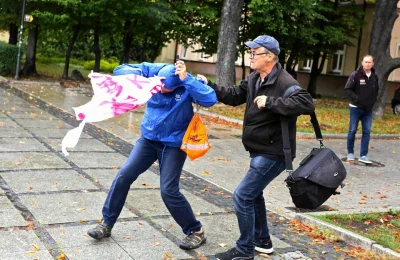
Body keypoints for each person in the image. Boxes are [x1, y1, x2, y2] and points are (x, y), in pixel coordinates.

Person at [197, 35, 315, 260]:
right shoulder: (254, 79)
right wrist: (208, 85)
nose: (250, 56)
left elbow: (306, 103)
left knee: (242, 196)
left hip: (275, 152)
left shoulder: (284, 82)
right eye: (250, 52)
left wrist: (271, 102)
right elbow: (233, 96)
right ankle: (263, 242)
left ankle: (244, 250)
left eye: (255, 52)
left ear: (270, 56)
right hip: (259, 149)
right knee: (254, 195)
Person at [87, 60, 217, 250]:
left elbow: (210, 99)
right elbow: (119, 70)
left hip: (173, 145)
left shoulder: (185, 84)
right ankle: (106, 223)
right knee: (124, 176)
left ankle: (195, 231)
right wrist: (148, 70)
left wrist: (186, 79)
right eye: (161, 85)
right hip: (148, 140)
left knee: (168, 190)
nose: (163, 91)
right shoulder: (151, 79)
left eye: (168, 88)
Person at [344, 54, 379, 164]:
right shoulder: (356, 75)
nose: (367, 64)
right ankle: (350, 153)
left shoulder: (374, 76)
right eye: (366, 62)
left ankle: (363, 155)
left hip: (368, 110)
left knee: (367, 132)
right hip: (355, 108)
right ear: (362, 63)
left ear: (373, 64)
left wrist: (372, 101)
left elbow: (376, 91)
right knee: (352, 130)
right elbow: (348, 89)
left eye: (369, 62)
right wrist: (356, 99)